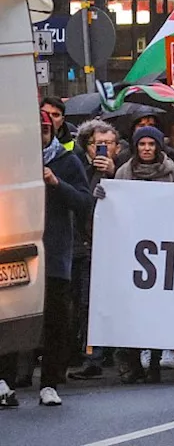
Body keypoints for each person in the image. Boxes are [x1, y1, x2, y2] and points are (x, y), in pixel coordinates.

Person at [0, 110, 91, 408]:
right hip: (15, 254)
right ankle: (5, 382)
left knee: (56, 321)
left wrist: (56, 183)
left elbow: (84, 202)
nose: (39, 135)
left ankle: (50, 383)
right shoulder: (10, 158)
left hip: (54, 255)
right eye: (34, 130)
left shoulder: (67, 161)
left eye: (44, 130)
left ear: (52, 131)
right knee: (10, 320)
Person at [106, 125, 174, 383]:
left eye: (151, 145)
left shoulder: (172, 174)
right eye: (142, 144)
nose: (146, 149)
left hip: (162, 247)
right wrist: (104, 193)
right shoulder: (123, 173)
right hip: (132, 247)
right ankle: (133, 362)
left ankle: (155, 359)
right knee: (133, 307)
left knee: (157, 306)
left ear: (158, 147)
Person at [66, 121, 120, 381]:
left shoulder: (123, 170)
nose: (102, 149)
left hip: (118, 246)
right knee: (86, 302)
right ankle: (92, 356)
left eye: (108, 144)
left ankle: (110, 353)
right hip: (86, 245)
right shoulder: (79, 170)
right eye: (97, 144)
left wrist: (113, 174)